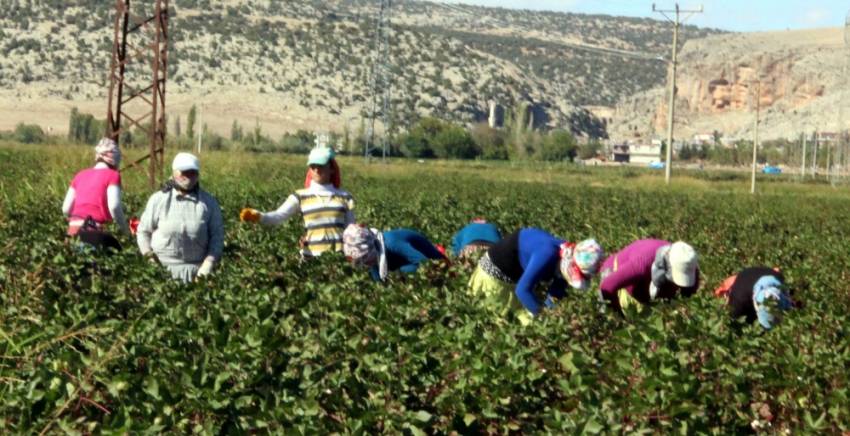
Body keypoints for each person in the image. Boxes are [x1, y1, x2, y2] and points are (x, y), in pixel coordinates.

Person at [466, 227, 604, 325]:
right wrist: (543, 318)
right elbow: (522, 290)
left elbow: (557, 289)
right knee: (509, 323)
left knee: (527, 317)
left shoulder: (566, 253)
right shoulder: (547, 253)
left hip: (515, 279)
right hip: (493, 279)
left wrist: (554, 311)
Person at [240, 146, 354, 257]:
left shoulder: (345, 197)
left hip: (338, 260)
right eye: (313, 166)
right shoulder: (300, 196)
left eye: (321, 165)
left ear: (332, 168)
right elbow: (278, 216)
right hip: (311, 259)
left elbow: (351, 230)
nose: (317, 170)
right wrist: (258, 216)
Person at [136, 153, 223, 282]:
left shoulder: (209, 203)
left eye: (192, 172)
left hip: (197, 273)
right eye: (184, 172)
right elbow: (143, 232)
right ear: (174, 173)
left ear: (198, 174)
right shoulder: (158, 200)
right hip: (161, 272)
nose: (188, 176)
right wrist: (150, 260)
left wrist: (208, 264)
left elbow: (217, 237)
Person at [599, 239, 699, 314]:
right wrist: (618, 317)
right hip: (615, 275)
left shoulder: (687, 262)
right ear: (668, 265)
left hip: (645, 281)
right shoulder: (641, 264)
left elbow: (689, 290)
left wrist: (687, 308)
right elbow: (607, 287)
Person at [62, 138, 129, 243]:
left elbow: (66, 209)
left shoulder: (80, 175)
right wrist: (125, 231)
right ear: (115, 158)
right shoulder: (113, 175)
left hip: (72, 232)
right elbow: (114, 206)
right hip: (94, 232)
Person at [343, 224, 448, 282]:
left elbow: (425, 263)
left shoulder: (393, 243)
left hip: (430, 257)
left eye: (365, 259)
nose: (365, 263)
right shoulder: (377, 248)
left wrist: (398, 277)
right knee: (377, 277)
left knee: (404, 272)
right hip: (401, 261)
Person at [714, 267, 795, 329]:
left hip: (758, 285)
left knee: (771, 323)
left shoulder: (738, 297)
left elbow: (734, 322)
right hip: (771, 279)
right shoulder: (739, 296)